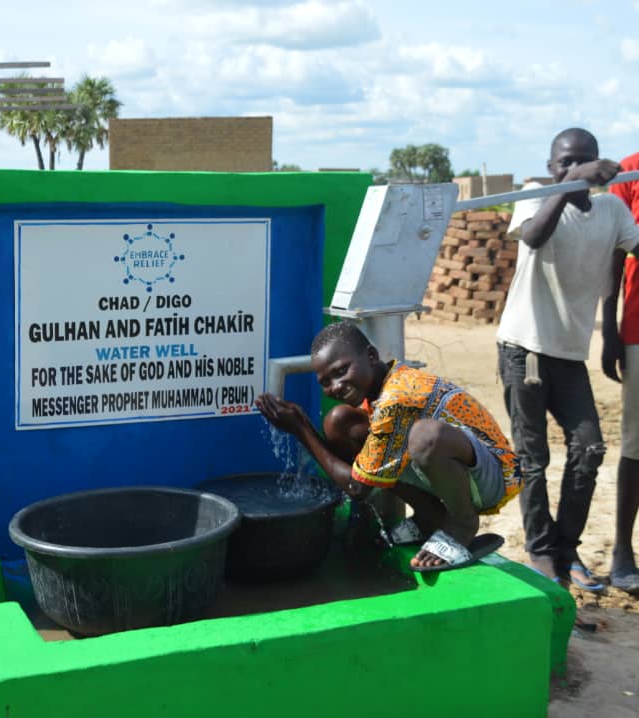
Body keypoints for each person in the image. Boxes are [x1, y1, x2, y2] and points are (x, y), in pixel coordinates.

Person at [255, 322, 520, 572]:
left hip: (492, 477)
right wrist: (305, 427)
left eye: (342, 370)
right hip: (459, 470)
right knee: (341, 423)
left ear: (371, 356)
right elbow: (363, 472)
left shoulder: (398, 397)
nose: (336, 386)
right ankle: (430, 516)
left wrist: (301, 429)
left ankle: (462, 524)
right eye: (326, 382)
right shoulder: (381, 390)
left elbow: (357, 488)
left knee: (424, 437)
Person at [497, 128, 639, 589]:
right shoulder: (536, 196)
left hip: (569, 354)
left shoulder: (612, 210)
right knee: (533, 457)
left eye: (580, 162)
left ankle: (566, 548)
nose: (569, 169)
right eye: (563, 162)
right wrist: (568, 184)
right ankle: (541, 553)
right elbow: (534, 238)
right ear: (551, 164)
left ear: (599, 164)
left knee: (589, 449)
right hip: (526, 348)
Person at [603, 150, 639, 594]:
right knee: (636, 444)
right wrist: (609, 327)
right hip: (638, 326)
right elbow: (613, 255)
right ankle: (622, 550)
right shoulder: (631, 171)